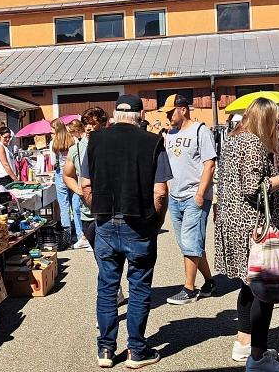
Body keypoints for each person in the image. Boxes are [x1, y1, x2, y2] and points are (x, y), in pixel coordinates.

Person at [80, 94, 171, 369]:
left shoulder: (95, 140)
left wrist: (99, 210)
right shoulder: (153, 142)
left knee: (107, 287)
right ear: (140, 115)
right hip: (140, 221)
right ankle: (136, 351)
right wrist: (157, 221)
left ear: (114, 115)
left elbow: (85, 185)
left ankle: (106, 351)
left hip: (106, 221)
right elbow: (160, 192)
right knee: (140, 287)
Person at [213, 98, 279, 371]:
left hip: (235, 222)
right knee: (264, 290)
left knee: (250, 286)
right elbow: (252, 187)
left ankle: (245, 345)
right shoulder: (251, 142)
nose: (276, 127)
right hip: (253, 225)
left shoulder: (234, 137)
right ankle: (258, 358)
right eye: (274, 122)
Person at [158, 93, 217, 305]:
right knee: (187, 243)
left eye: (170, 112)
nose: (168, 117)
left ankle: (189, 289)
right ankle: (209, 281)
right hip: (176, 196)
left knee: (191, 241)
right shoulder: (170, 134)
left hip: (195, 195)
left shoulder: (201, 131)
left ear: (183, 110)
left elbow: (209, 165)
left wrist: (200, 194)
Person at [63, 107, 109, 251]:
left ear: (103, 124)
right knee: (98, 253)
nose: (89, 128)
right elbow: (67, 176)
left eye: (93, 124)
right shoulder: (75, 150)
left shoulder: (111, 146)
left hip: (110, 210)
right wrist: (77, 188)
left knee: (109, 256)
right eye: (86, 124)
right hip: (87, 211)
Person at [51, 118, 77, 245]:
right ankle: (80, 234)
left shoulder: (54, 142)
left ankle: (67, 236)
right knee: (76, 205)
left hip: (61, 172)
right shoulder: (73, 140)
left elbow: (52, 162)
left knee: (64, 205)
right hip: (74, 173)